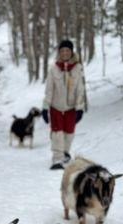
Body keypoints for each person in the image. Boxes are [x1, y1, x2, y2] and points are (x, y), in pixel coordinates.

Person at [42, 40, 85, 170]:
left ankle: (65, 152)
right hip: (56, 107)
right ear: (59, 53)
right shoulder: (53, 69)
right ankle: (57, 159)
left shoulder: (78, 68)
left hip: (71, 108)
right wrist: (45, 107)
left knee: (69, 133)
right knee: (57, 133)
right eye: (62, 51)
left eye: (67, 50)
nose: (65, 53)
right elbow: (49, 89)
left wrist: (80, 108)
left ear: (71, 52)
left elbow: (80, 89)